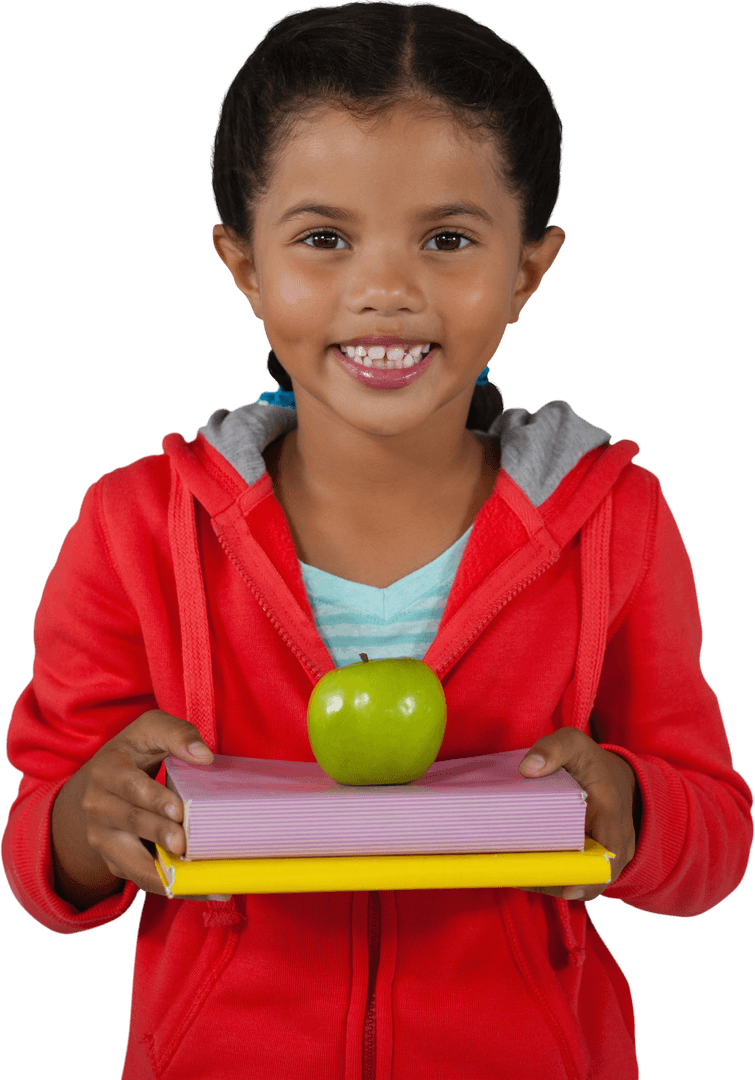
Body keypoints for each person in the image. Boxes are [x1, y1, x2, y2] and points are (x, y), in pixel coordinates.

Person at [2, 3, 751, 1079]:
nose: (386, 290)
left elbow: (714, 836)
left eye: (447, 239)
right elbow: (42, 845)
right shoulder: (132, 527)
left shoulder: (614, 521)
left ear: (525, 272)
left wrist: (627, 806)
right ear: (243, 266)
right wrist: (89, 817)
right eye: (323, 239)